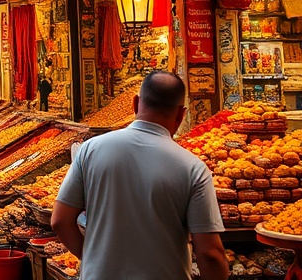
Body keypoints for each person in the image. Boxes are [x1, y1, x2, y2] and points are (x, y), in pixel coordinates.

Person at [51, 71, 228, 280]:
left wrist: (92, 259)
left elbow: (60, 221)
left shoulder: (91, 149)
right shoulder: (193, 168)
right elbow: (209, 253)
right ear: (181, 115)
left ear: (135, 103)